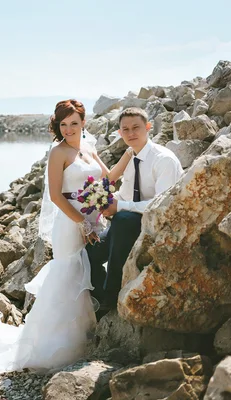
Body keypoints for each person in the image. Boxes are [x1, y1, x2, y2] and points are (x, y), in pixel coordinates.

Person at [0, 100, 131, 375]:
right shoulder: (58, 152)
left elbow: (108, 180)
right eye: (63, 124)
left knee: (87, 271)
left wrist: (131, 152)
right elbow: (55, 195)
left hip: (91, 220)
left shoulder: (89, 148)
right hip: (70, 224)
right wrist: (81, 223)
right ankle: (55, 344)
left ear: (83, 122)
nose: (68, 129)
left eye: (74, 123)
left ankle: (87, 332)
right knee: (69, 273)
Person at [86, 107, 183, 312]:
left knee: (122, 220)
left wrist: (119, 206)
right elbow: (127, 194)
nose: (131, 133)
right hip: (128, 222)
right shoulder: (131, 156)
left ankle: (111, 297)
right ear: (120, 133)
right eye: (126, 129)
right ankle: (100, 295)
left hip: (159, 224)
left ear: (148, 128)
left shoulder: (163, 159)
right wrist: (107, 202)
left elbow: (162, 204)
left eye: (136, 128)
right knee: (87, 252)